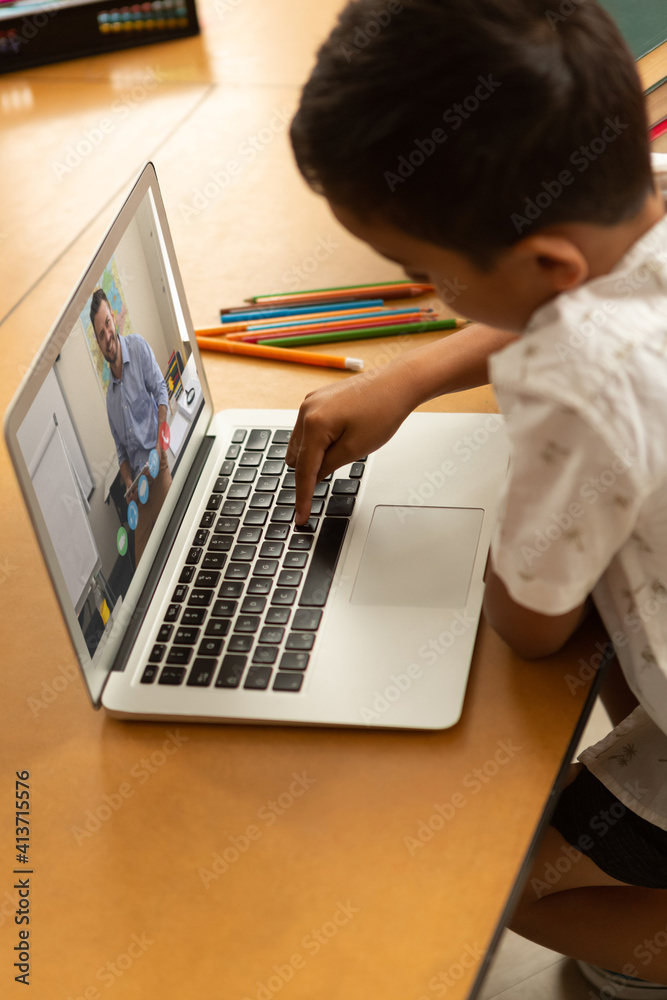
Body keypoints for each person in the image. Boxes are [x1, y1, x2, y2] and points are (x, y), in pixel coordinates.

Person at [284, 0, 667, 994]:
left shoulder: (574, 386)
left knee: (503, 875)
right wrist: (411, 378)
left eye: (428, 275)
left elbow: (533, 624)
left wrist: (506, 542)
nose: (432, 293)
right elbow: (590, 290)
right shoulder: (646, 202)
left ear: (543, 263)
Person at [90, 288, 171, 564]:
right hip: (139, 492)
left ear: (113, 318)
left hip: (159, 471)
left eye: (107, 324)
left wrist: (161, 442)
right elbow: (122, 453)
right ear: (99, 343)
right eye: (101, 334)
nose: (107, 335)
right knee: (143, 566)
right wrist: (127, 481)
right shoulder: (110, 399)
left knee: (174, 540)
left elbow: (161, 392)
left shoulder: (137, 347)